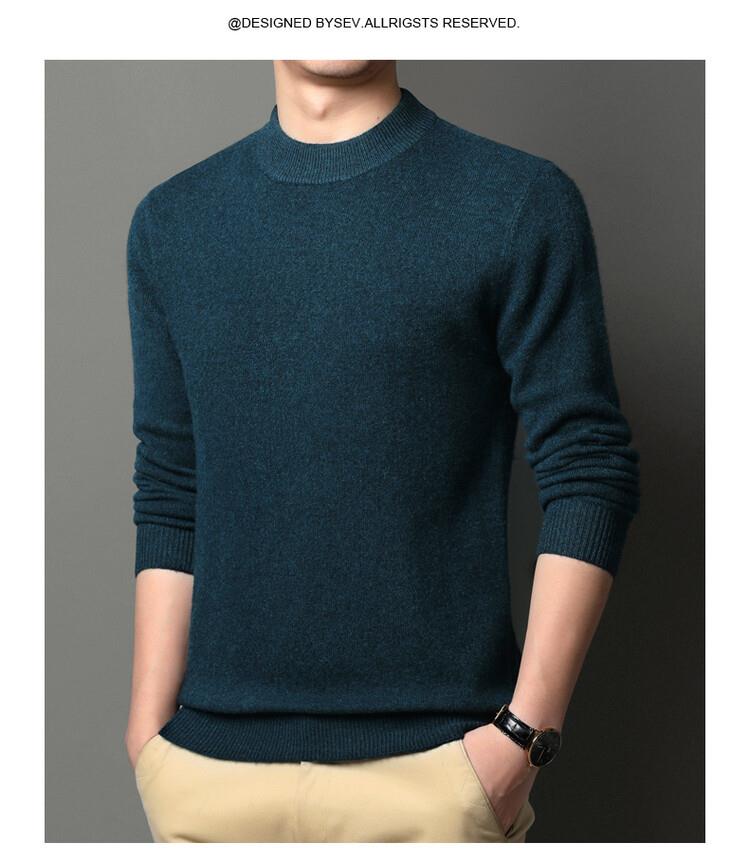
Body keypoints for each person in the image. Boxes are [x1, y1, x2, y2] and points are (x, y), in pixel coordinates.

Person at [124, 59, 640, 843]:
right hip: (205, 776)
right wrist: (148, 739)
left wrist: (523, 737)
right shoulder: (172, 221)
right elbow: (171, 484)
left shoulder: (516, 200)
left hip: (435, 775)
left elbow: (587, 465)